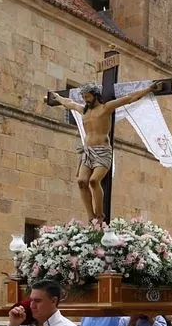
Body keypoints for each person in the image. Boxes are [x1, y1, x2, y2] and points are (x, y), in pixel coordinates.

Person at [47, 81, 163, 221]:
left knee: (94, 181)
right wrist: (57, 98)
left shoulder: (106, 108)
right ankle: (91, 217)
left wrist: (149, 89)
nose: (86, 100)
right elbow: (69, 103)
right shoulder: (84, 110)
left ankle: (99, 214)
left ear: (95, 95)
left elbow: (130, 98)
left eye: (88, 97)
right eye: (84, 97)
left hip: (102, 151)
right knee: (82, 181)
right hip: (88, 152)